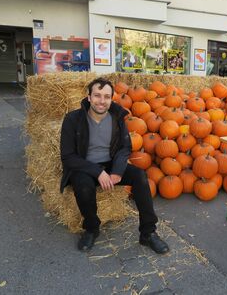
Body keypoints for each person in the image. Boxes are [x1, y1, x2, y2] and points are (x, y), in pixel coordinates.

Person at [60, 78, 169, 254]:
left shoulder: (117, 117)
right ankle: (91, 228)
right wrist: (98, 172)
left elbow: (125, 147)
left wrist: (117, 171)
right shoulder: (73, 119)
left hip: (110, 164)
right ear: (88, 97)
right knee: (83, 186)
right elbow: (68, 156)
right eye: (97, 95)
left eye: (106, 97)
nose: (102, 101)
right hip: (85, 166)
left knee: (140, 176)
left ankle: (148, 233)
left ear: (112, 99)